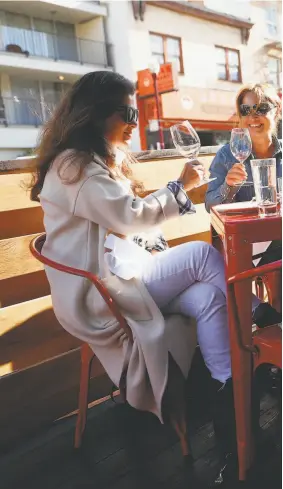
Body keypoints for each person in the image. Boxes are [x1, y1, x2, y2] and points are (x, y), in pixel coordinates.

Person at [30, 72, 269, 486]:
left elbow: (121, 218)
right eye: (127, 111)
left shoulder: (88, 161)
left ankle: (229, 405)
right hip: (99, 293)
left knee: (207, 299)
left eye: (134, 111)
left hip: (116, 276)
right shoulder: (75, 166)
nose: (133, 120)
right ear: (96, 113)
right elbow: (128, 215)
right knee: (199, 255)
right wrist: (181, 186)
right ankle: (263, 318)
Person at [205, 83, 282, 270]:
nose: (253, 117)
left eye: (262, 108)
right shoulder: (227, 155)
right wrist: (228, 186)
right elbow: (210, 205)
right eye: (246, 110)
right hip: (247, 244)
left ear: (277, 111)